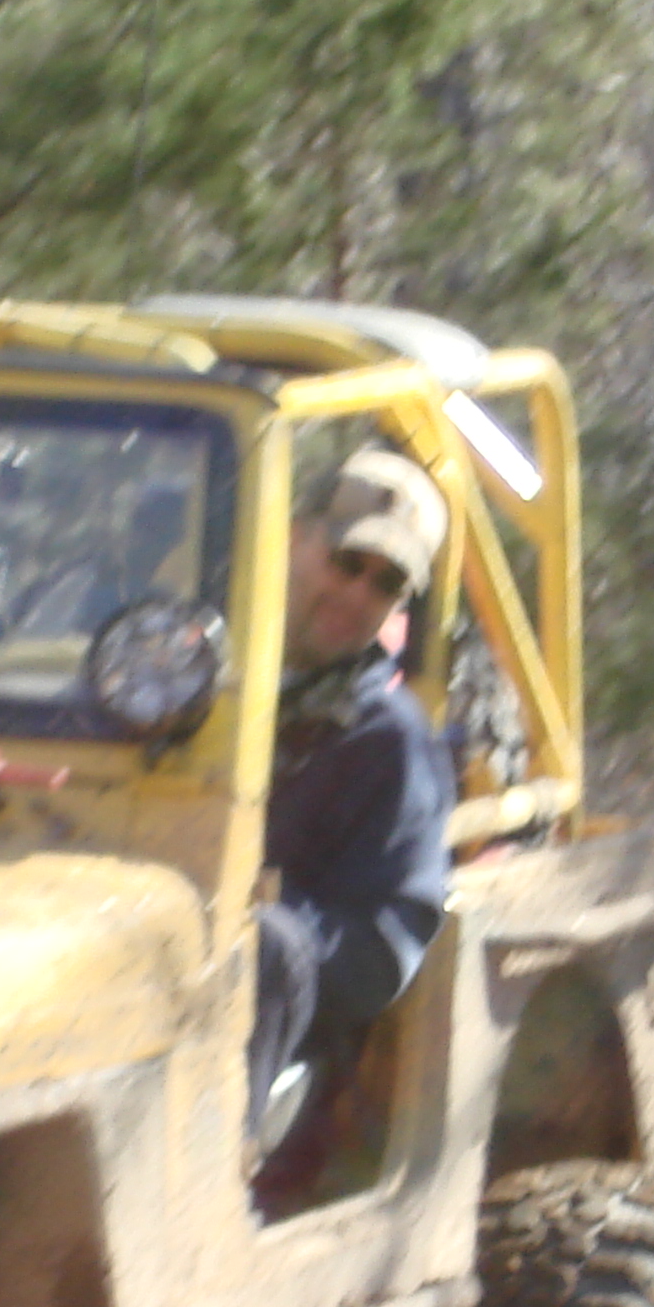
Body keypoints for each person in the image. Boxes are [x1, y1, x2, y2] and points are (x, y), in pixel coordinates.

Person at [250, 444, 455, 1149]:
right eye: (347, 562)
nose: (357, 595)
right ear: (293, 538)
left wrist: (262, 915)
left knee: (264, 944)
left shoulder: (390, 743)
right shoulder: (170, 677)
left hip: (277, 1045)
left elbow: (382, 953)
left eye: (386, 583)